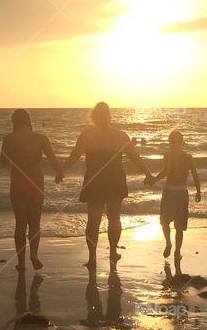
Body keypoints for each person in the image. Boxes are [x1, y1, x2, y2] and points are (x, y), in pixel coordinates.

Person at [62, 102, 154, 268]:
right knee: (114, 219)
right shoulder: (120, 135)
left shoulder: (87, 135)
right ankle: (112, 253)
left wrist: (61, 170)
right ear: (109, 116)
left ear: (94, 116)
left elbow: (74, 155)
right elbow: (135, 157)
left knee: (93, 221)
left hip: (95, 180)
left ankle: (92, 258)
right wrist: (148, 173)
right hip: (114, 180)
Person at [0, 108, 63, 271]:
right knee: (35, 223)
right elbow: (54, 160)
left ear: (14, 122)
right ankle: (34, 255)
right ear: (29, 121)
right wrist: (59, 173)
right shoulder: (41, 138)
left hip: (18, 184)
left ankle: (21, 263)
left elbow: (3, 162)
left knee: (20, 224)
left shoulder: (8, 138)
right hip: (36, 183)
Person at [149, 130, 202, 263]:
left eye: (171, 142)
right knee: (179, 226)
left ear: (172, 142)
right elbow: (195, 175)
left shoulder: (168, 155)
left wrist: (154, 179)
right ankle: (176, 250)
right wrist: (198, 191)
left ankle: (170, 244)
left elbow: (166, 172)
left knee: (165, 222)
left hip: (170, 192)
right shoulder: (187, 157)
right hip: (182, 193)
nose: (172, 144)